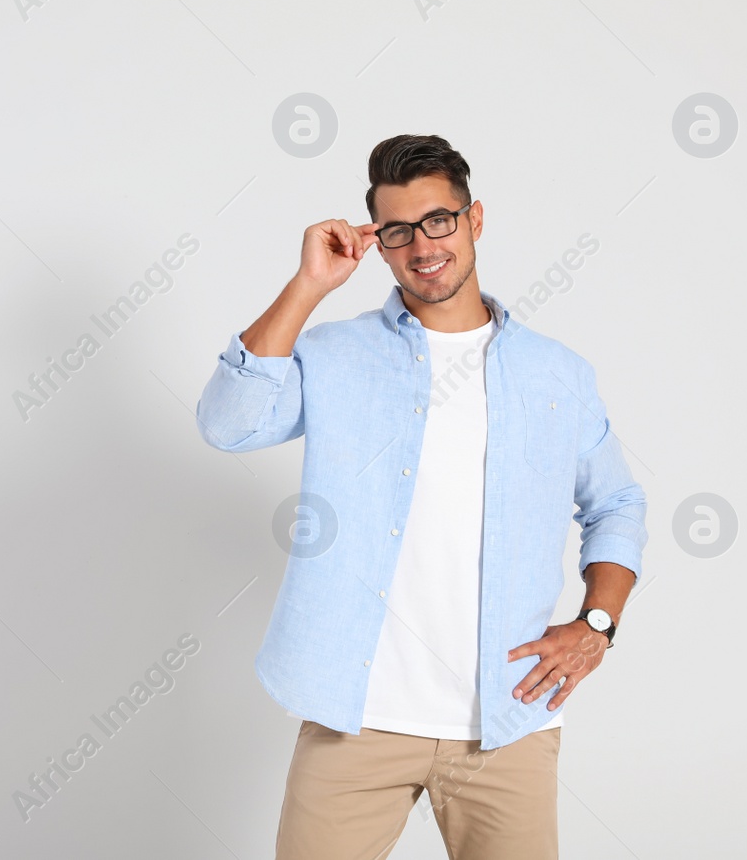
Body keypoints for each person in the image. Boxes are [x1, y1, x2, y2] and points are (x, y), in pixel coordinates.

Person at [194, 134, 647, 859]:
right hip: (355, 719)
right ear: (378, 243)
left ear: (474, 219)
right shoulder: (335, 353)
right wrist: (308, 285)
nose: (422, 245)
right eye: (398, 231)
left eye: (439, 219)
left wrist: (597, 623)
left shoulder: (556, 373)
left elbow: (617, 503)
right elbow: (227, 424)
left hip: (507, 723)